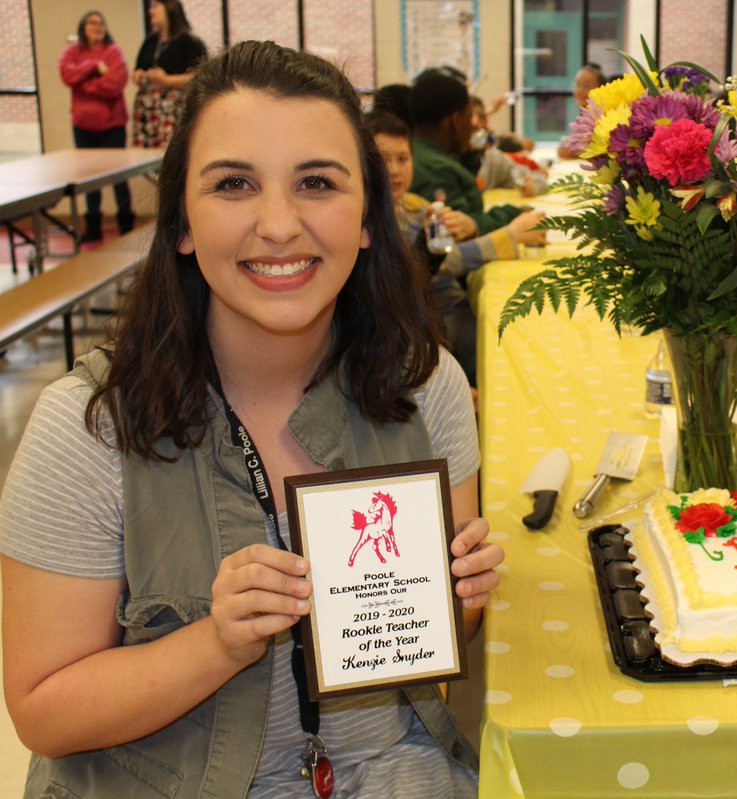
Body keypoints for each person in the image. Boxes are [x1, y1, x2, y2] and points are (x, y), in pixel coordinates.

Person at [0, 41, 502, 797]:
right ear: (182, 224)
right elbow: (44, 713)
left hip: (394, 771)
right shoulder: (88, 425)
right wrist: (217, 642)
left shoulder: (424, 384)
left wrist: (460, 601)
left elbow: (434, 635)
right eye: (234, 183)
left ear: (369, 216)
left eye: (317, 183)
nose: (277, 225)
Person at [368, 109, 545, 387]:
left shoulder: (414, 205)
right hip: (436, 324)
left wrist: (464, 225)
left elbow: (447, 247)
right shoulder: (371, 220)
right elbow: (440, 263)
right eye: (382, 160)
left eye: (403, 159)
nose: (394, 169)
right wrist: (508, 237)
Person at [407, 69, 524, 239]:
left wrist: (469, 157)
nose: (472, 127)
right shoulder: (435, 168)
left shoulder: (421, 152)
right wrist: (511, 214)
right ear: (455, 121)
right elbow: (462, 228)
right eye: (469, 118)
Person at [59, 10, 134, 241]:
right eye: (92, 23)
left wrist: (83, 86)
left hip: (112, 126)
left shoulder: (114, 52)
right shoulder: (73, 52)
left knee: (118, 178)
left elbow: (114, 84)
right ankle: (93, 228)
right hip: (83, 126)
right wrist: (93, 67)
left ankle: (126, 226)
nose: (97, 26)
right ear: (83, 27)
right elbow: (67, 76)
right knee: (89, 179)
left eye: (101, 23)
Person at [131, 0, 206, 147]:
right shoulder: (150, 41)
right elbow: (138, 69)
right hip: (148, 109)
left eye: (155, 6)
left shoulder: (189, 41)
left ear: (170, 8)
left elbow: (200, 75)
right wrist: (139, 75)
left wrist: (167, 80)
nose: (150, 11)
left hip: (173, 108)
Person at [467, 96, 547, 197]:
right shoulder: (446, 161)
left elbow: (536, 177)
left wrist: (532, 186)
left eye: (474, 128)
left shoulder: (492, 158)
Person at [557, 63, 604, 159]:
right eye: (578, 85)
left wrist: (575, 153)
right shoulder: (584, 115)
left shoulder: (602, 118)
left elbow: (602, 153)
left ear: (600, 88)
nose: (580, 90)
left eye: (587, 86)